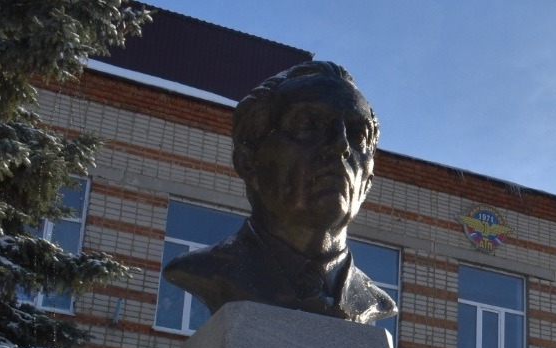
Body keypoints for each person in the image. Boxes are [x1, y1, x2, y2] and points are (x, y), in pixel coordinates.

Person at [164, 61, 397, 325]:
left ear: (368, 183)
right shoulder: (209, 272)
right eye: (308, 123)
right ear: (248, 161)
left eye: (357, 134)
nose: (341, 145)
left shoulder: (373, 301)